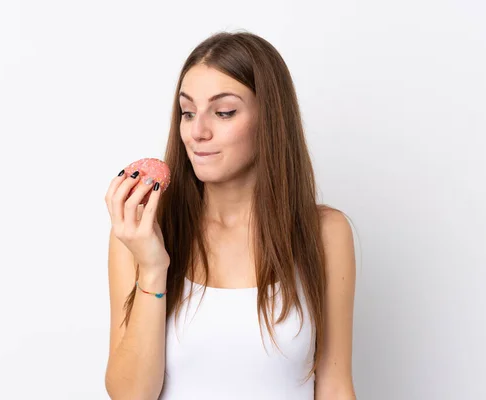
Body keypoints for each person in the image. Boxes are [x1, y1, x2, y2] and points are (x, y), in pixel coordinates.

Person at [104, 31, 357, 400]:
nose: (197, 131)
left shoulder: (325, 233)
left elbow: (335, 386)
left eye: (223, 112)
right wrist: (153, 269)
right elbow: (130, 395)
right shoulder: (140, 233)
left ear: (271, 119)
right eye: (188, 112)